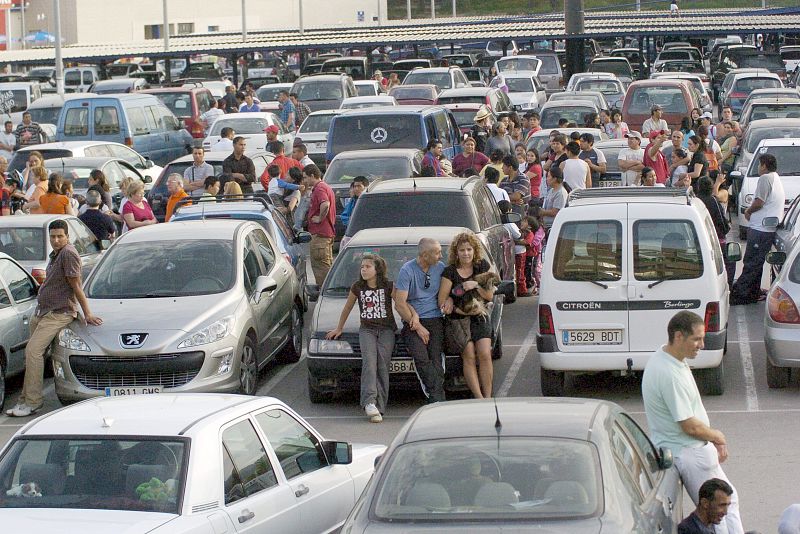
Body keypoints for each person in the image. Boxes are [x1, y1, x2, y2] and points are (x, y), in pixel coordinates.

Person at [641, 310, 745, 534]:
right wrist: (718, 437)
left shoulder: (668, 359)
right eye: (696, 339)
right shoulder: (668, 373)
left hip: (691, 449)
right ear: (679, 336)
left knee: (729, 501)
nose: (702, 344)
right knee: (718, 511)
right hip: (688, 451)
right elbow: (689, 425)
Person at [5, 219, 102, 417]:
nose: (56, 240)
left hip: (59, 313)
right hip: (43, 311)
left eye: (60, 236)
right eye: (53, 237)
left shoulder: (68, 254)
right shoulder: (56, 253)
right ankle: (24, 400)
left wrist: (87, 313)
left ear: (67, 236)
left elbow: (76, 287)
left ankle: (33, 402)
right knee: (31, 355)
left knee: (33, 352)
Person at [326, 254, 395, 423]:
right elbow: (348, 307)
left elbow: (401, 304)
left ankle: (380, 406)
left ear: (377, 269)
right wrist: (339, 328)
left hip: (386, 330)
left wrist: (413, 318)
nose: (363, 269)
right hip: (367, 331)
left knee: (382, 365)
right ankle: (369, 402)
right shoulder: (358, 287)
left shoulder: (388, 285)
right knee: (369, 363)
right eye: (362, 267)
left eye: (368, 267)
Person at [438, 231, 496, 399]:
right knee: (469, 355)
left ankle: (488, 395)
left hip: (480, 315)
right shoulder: (449, 272)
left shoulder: (482, 266)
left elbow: (489, 296)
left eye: (469, 249)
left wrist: (475, 285)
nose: (466, 253)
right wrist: (455, 307)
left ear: (474, 250)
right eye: (462, 250)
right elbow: (441, 301)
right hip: (459, 320)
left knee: (485, 353)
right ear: (456, 252)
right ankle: (479, 398)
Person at [395, 238, 447, 403]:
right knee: (421, 358)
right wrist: (417, 326)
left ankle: (435, 398)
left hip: (435, 318)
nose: (441, 255)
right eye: (437, 252)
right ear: (425, 255)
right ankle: (438, 396)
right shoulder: (407, 270)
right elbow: (399, 304)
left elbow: (449, 291)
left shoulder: (440, 268)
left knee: (436, 359)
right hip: (413, 321)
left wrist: (450, 301)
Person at [731, 153, 785, 305]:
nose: (758, 168)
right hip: (766, 228)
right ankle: (753, 292)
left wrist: (748, 211)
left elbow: (759, 202)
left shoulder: (765, 178)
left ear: (764, 166)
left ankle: (741, 294)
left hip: (760, 228)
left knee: (751, 262)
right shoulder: (776, 178)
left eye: (759, 165)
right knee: (757, 263)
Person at [697, 176, 735, 286]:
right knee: (728, 262)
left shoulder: (696, 201)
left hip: (700, 240)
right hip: (716, 239)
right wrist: (726, 228)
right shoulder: (713, 200)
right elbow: (721, 220)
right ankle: (728, 285)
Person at [303, 164, 336, 284]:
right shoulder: (324, 187)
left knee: (321, 266)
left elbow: (325, 204)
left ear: (312, 175)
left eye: (306, 177)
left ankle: (325, 290)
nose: (305, 180)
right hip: (324, 233)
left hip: (321, 233)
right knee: (324, 263)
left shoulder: (320, 188)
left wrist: (320, 218)